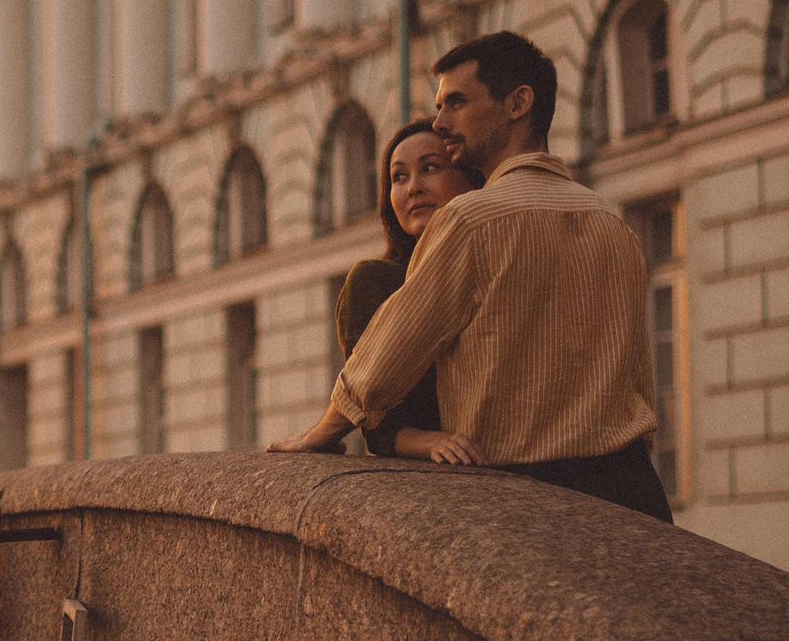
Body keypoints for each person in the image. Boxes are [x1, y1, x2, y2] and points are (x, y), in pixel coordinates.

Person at [270, 31, 671, 521]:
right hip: (635, 497)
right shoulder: (612, 223)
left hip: (529, 500)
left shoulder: (470, 219)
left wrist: (322, 432)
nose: (441, 122)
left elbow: (386, 358)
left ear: (518, 103)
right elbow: (640, 384)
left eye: (456, 103)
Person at [329, 120, 487, 464]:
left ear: (470, 179)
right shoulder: (375, 280)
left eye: (430, 168)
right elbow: (376, 422)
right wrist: (428, 442)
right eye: (399, 177)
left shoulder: (493, 261)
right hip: (444, 473)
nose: (413, 187)